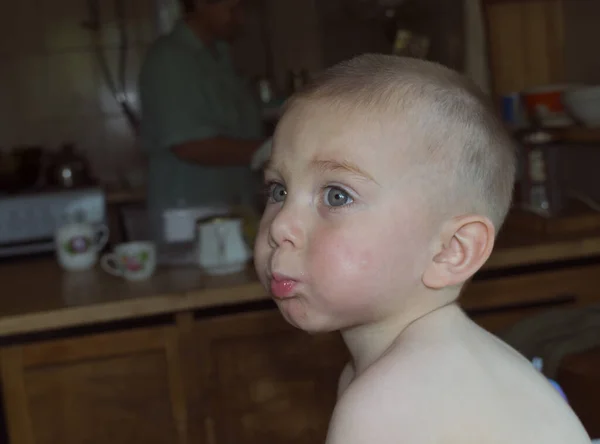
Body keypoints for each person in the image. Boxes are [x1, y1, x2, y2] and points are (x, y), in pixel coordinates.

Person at [254, 54, 592, 443]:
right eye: (278, 190)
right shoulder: (433, 364)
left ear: (452, 250)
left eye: (336, 195)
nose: (279, 226)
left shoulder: (391, 401)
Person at [139, 0, 266, 244]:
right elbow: (191, 145)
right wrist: (269, 149)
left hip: (232, 208)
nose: (240, 19)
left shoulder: (219, 56)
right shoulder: (171, 59)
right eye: (233, 9)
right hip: (189, 215)